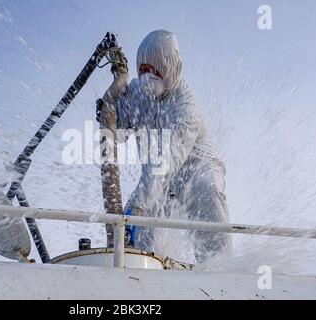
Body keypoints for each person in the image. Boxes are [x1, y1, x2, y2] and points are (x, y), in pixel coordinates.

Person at [99, 29, 232, 263]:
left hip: (196, 173)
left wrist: (136, 207)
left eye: (155, 69)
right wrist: (111, 103)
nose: (148, 76)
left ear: (172, 67)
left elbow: (164, 162)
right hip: (158, 185)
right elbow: (116, 135)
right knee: (136, 248)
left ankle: (219, 271)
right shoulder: (138, 94)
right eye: (143, 70)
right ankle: (141, 271)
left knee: (206, 189)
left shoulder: (186, 107)